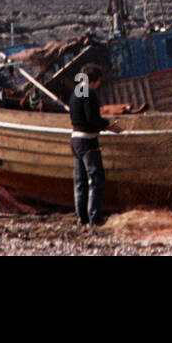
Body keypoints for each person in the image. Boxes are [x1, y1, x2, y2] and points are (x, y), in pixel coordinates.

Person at [69, 63, 109, 227]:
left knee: (80, 182)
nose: (99, 84)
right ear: (94, 80)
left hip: (75, 140)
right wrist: (106, 124)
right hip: (87, 141)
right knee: (96, 180)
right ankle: (95, 218)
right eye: (98, 81)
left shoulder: (76, 93)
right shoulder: (89, 94)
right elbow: (92, 119)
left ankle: (82, 217)